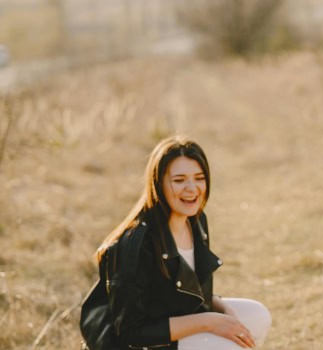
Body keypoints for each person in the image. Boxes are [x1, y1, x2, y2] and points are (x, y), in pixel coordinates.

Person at [83, 136, 271, 349]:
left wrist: (223, 311)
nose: (192, 188)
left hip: (176, 326)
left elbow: (187, 292)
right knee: (227, 345)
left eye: (199, 178)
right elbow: (130, 334)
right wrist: (208, 321)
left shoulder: (196, 221)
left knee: (257, 316)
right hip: (143, 345)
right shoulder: (134, 244)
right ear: (158, 184)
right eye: (179, 180)